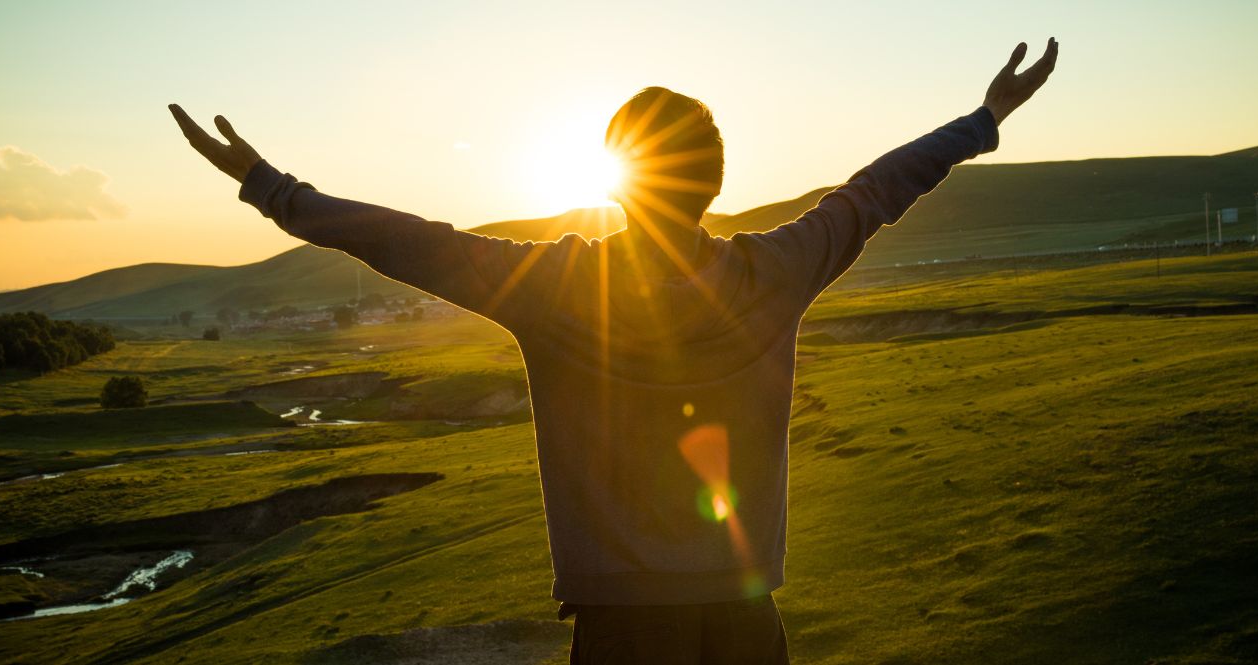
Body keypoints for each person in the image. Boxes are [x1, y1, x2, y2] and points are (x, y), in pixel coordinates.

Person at [171, 37, 1057, 665]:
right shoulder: (777, 270)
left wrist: (269, 186)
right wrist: (983, 118)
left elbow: (411, 242)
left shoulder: (559, 289)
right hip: (748, 615)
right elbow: (873, 193)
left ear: (616, 181)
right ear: (714, 180)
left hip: (624, 624)